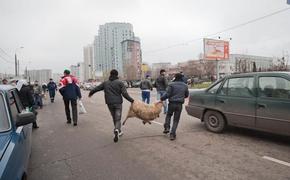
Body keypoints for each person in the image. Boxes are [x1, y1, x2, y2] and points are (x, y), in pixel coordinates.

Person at [88, 69, 134, 143]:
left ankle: (118, 130)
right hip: (118, 103)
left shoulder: (105, 83)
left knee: (114, 117)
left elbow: (97, 88)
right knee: (118, 118)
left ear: (110, 74)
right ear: (117, 75)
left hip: (109, 103)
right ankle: (117, 130)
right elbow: (125, 94)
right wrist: (132, 101)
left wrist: (91, 93)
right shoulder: (120, 83)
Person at [160, 73, 189, 141]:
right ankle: (172, 134)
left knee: (169, 115)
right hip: (179, 105)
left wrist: (161, 99)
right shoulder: (185, 85)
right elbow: (187, 95)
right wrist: (181, 97)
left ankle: (167, 127)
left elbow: (167, 94)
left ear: (175, 77)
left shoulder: (171, 84)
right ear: (181, 78)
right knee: (176, 120)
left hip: (172, 103)